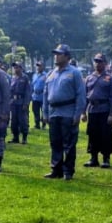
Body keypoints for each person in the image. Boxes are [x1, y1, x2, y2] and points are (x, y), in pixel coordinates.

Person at [42, 44, 86, 180]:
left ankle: (68, 171)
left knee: (69, 144)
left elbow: (81, 94)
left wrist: (77, 114)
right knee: (55, 142)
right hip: (54, 112)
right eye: (55, 53)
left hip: (68, 112)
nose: (56, 56)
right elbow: (45, 94)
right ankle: (56, 169)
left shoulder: (74, 73)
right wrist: (45, 113)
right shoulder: (51, 73)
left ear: (67, 56)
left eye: (59, 54)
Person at [81, 53, 112, 168]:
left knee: (106, 134)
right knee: (92, 134)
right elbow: (85, 96)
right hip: (92, 110)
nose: (97, 64)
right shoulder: (89, 78)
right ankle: (93, 158)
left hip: (105, 109)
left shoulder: (110, 79)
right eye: (96, 61)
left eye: (100, 61)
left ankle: (106, 158)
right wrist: (83, 112)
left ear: (105, 63)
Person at [8, 62, 32, 144]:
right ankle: (15, 137)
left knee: (22, 121)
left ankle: (24, 138)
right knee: (14, 121)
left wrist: (26, 103)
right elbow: (10, 91)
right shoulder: (13, 78)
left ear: (21, 68)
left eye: (17, 67)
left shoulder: (25, 78)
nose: (15, 69)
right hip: (13, 103)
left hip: (21, 102)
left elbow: (28, 92)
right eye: (14, 68)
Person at [31, 61, 47, 129]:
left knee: (43, 110)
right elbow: (33, 85)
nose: (38, 67)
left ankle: (43, 124)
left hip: (42, 95)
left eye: (39, 66)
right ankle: (37, 124)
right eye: (37, 66)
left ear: (43, 67)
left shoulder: (46, 75)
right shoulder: (34, 75)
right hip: (35, 96)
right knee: (35, 110)